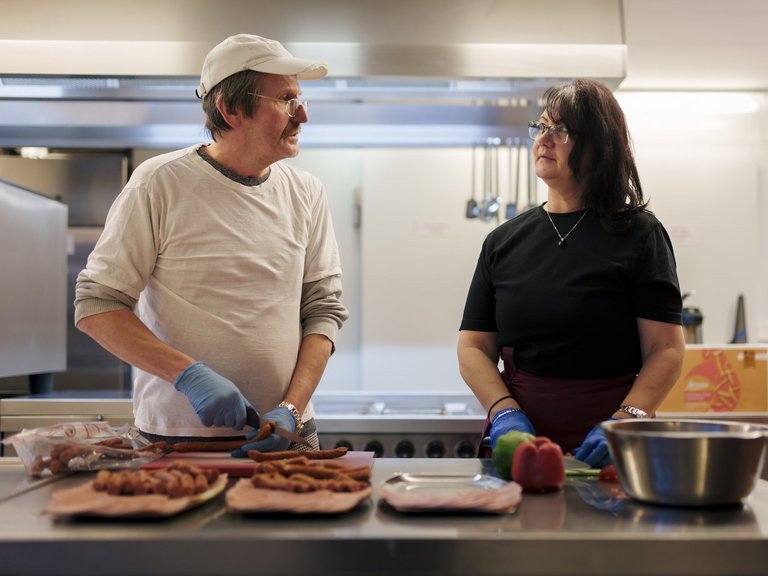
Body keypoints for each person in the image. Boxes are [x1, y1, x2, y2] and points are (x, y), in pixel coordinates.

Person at [74, 34, 349, 456]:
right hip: (178, 440)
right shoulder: (159, 183)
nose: (303, 115)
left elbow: (323, 310)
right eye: (286, 100)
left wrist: (292, 408)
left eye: (300, 99)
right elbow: (97, 305)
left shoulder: (306, 191)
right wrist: (187, 375)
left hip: (288, 435)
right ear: (230, 109)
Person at [457, 79, 685, 467]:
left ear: (600, 147)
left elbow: (665, 349)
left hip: (614, 440)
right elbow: (474, 347)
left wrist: (625, 419)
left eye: (561, 130)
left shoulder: (640, 234)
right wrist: (503, 411)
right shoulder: (502, 241)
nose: (544, 140)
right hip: (520, 441)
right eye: (541, 126)